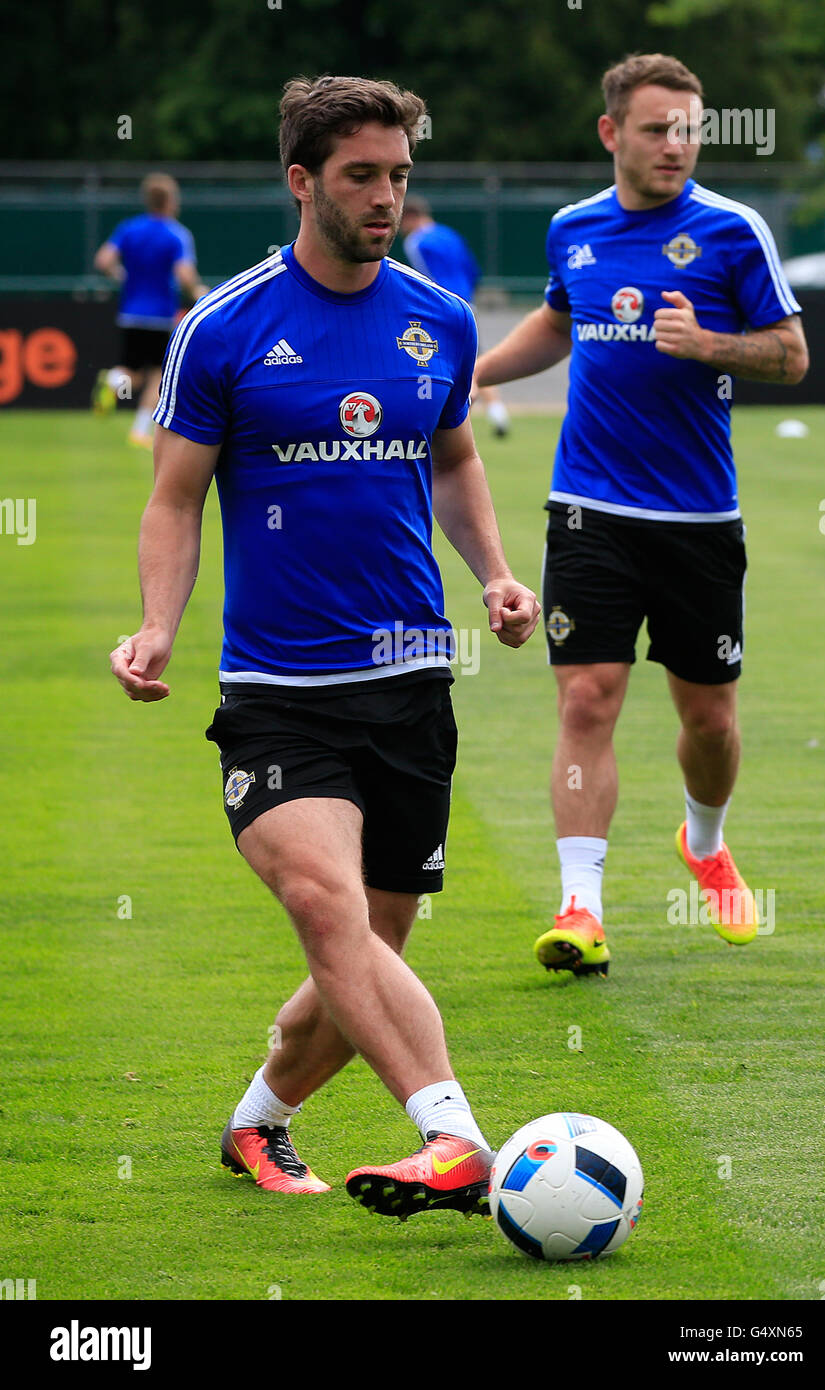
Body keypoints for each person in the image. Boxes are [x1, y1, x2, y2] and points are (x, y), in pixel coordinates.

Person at [110, 76, 539, 1219]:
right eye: (362, 174)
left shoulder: (435, 315)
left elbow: (451, 460)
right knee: (326, 907)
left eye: (399, 173)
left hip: (411, 677)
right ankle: (456, 1138)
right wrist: (158, 622)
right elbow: (173, 498)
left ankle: (257, 1121)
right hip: (279, 693)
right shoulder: (228, 325)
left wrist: (493, 570)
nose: (387, 194)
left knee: (367, 951)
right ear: (302, 180)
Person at [474, 53, 808, 977]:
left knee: (708, 718)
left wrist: (708, 344)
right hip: (588, 508)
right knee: (586, 698)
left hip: (700, 518)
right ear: (611, 132)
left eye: (690, 129)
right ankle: (580, 908)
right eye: (658, 128)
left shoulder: (732, 231)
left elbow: (791, 355)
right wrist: (472, 375)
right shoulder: (571, 228)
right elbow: (557, 320)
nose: (677, 145)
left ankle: (704, 841)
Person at [93, 173, 207, 448]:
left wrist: (122, 275)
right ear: (169, 201)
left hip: (130, 313)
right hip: (160, 316)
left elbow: (103, 260)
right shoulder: (176, 234)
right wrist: (198, 292)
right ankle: (140, 430)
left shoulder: (129, 228)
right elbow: (183, 274)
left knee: (131, 370)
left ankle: (112, 379)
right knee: (158, 375)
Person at [401, 195, 511, 436]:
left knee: (443, 364)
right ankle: (497, 414)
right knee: (473, 361)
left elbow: (427, 279)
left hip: (441, 308)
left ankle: (451, 422)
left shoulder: (417, 242)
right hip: (466, 304)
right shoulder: (449, 234)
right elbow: (472, 268)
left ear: (410, 217)